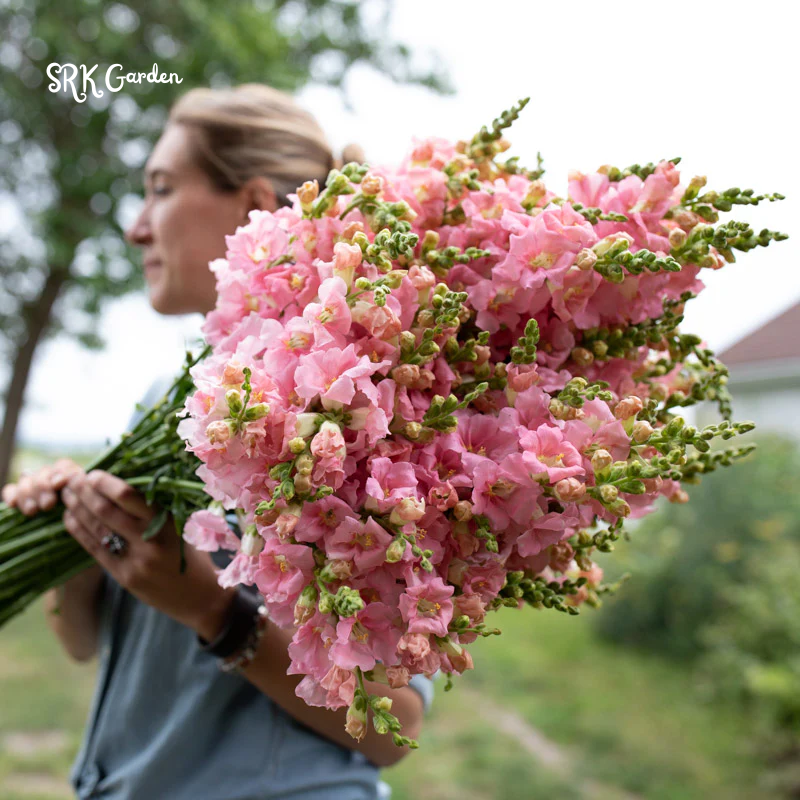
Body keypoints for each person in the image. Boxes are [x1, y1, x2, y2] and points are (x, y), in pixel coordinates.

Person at [1, 84, 432, 800]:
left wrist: (215, 613)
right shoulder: (170, 402)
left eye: (160, 190)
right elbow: (85, 643)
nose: (136, 228)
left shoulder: (353, 419)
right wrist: (80, 537)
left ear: (254, 206)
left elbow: (394, 729)